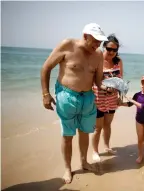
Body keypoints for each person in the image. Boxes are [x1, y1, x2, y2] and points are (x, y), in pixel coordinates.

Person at [40, 23, 108, 183]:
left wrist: (108, 88)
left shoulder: (98, 54)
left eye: (100, 41)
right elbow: (46, 68)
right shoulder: (67, 45)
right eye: (96, 40)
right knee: (67, 135)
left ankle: (84, 162)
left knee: (85, 132)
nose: (98, 45)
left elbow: (98, 81)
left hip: (88, 98)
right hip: (67, 96)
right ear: (85, 36)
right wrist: (45, 94)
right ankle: (67, 169)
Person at [91, 34, 124, 162]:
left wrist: (120, 97)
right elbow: (92, 79)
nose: (111, 52)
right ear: (104, 46)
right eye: (109, 49)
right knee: (97, 127)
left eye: (114, 50)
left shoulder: (118, 61)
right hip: (97, 98)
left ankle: (106, 146)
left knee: (108, 125)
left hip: (112, 99)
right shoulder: (97, 59)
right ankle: (95, 151)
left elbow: (120, 80)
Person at [120, 75, 144, 163]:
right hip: (139, 119)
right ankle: (140, 155)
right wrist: (120, 104)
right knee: (140, 139)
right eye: (143, 83)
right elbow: (129, 104)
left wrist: (133, 101)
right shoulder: (137, 95)